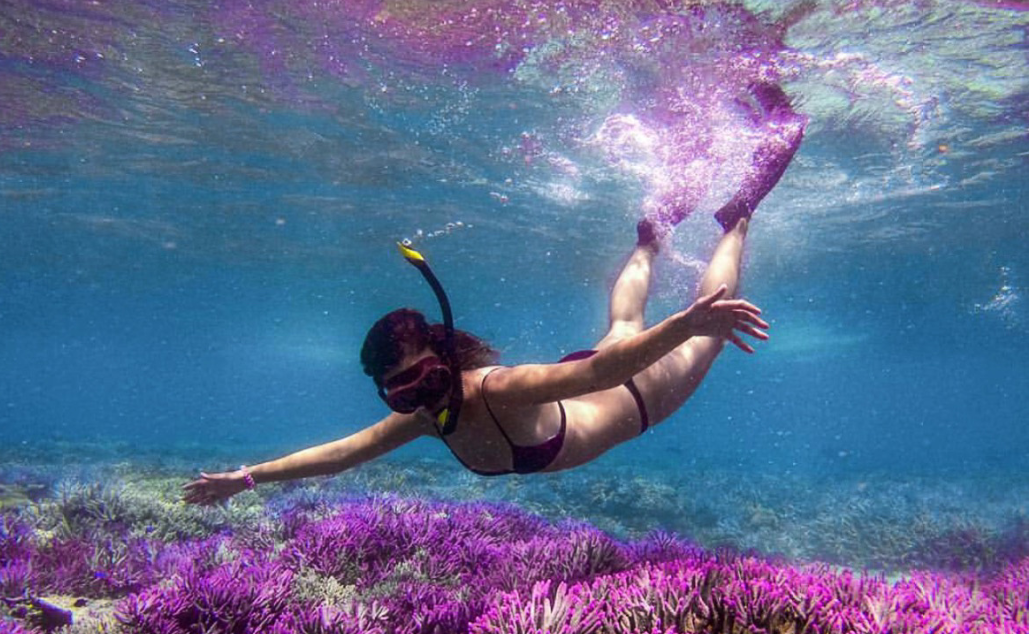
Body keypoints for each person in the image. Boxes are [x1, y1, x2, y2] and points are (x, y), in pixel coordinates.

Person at [183, 83, 804, 504]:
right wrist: (247, 478)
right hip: (604, 376)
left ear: (445, 359)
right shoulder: (426, 421)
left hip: (639, 390)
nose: (427, 396)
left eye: (428, 377)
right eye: (407, 392)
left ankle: (737, 214)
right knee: (622, 322)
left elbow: (607, 372)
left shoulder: (496, 387)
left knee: (701, 327)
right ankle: (649, 237)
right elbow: (341, 455)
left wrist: (688, 326)